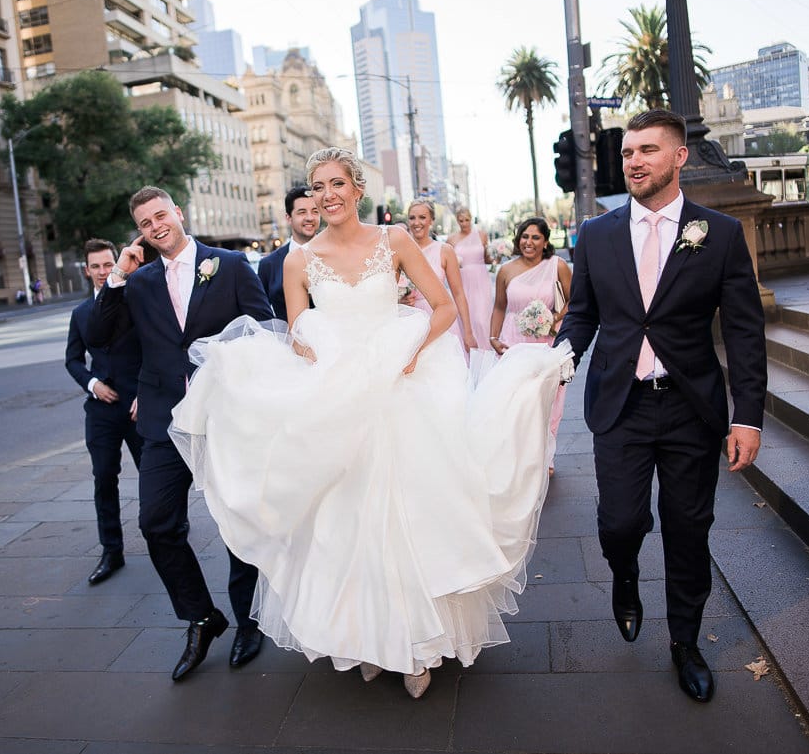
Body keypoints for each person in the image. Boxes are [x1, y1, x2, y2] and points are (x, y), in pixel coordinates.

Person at [168, 147, 571, 699]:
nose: (327, 194)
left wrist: (410, 354)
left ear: (357, 190)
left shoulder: (396, 241)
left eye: (336, 183)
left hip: (403, 390)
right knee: (347, 524)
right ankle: (368, 638)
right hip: (338, 401)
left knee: (410, 517)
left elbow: (445, 308)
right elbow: (298, 333)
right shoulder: (297, 260)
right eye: (317, 186)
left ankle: (417, 647)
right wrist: (315, 369)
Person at [554, 109, 767, 704]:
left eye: (648, 150)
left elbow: (746, 332)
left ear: (679, 158)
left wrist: (746, 415)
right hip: (618, 406)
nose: (634, 161)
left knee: (688, 529)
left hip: (690, 407)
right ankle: (625, 574)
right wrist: (553, 360)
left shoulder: (719, 234)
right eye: (627, 153)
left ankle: (685, 642)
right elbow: (583, 316)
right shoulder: (595, 235)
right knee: (621, 522)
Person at [87, 186, 273, 681]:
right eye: (145, 223)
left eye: (161, 215)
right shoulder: (139, 281)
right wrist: (119, 275)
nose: (155, 226)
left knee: (237, 521)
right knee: (156, 522)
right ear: (140, 232)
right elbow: (100, 335)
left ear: (179, 213)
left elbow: (263, 326)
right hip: (164, 419)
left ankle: (247, 620)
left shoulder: (229, 264)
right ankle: (200, 616)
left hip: (227, 414)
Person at [65, 239, 144, 585]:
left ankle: (169, 531)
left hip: (139, 406)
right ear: (87, 270)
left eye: (106, 265)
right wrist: (92, 383)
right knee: (103, 479)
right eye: (94, 266)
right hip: (101, 409)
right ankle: (112, 550)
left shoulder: (137, 301)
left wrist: (146, 393)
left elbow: (156, 348)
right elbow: (72, 359)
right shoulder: (80, 313)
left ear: (117, 264)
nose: (101, 272)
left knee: (155, 476)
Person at [489, 217, 572, 476]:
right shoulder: (506, 270)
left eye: (536, 237)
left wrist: (554, 320)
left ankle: (546, 455)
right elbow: (500, 306)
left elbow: (575, 299)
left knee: (548, 401)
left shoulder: (556, 265)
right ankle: (523, 455)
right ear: (518, 239)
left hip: (546, 343)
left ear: (545, 241)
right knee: (519, 402)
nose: (529, 242)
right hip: (514, 342)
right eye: (525, 236)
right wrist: (493, 337)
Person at [406, 198, 478, 351]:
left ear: (431, 220)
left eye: (422, 217)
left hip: (441, 319)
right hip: (410, 320)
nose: (416, 222)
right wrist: (402, 300)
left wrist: (468, 332)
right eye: (412, 218)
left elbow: (458, 293)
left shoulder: (444, 250)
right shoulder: (402, 252)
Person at [257, 185, 321, 320]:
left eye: (315, 211)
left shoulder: (334, 253)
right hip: (286, 339)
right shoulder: (268, 264)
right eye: (302, 212)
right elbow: (261, 314)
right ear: (288, 217)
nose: (310, 217)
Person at [447, 206, 494, 350]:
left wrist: (496, 255)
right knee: (468, 318)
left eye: (467, 220)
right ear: (457, 221)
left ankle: (488, 350)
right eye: (461, 221)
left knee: (482, 318)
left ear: (471, 219)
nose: (464, 223)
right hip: (462, 280)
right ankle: (471, 351)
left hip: (480, 279)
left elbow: (487, 259)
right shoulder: (451, 239)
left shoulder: (481, 235)